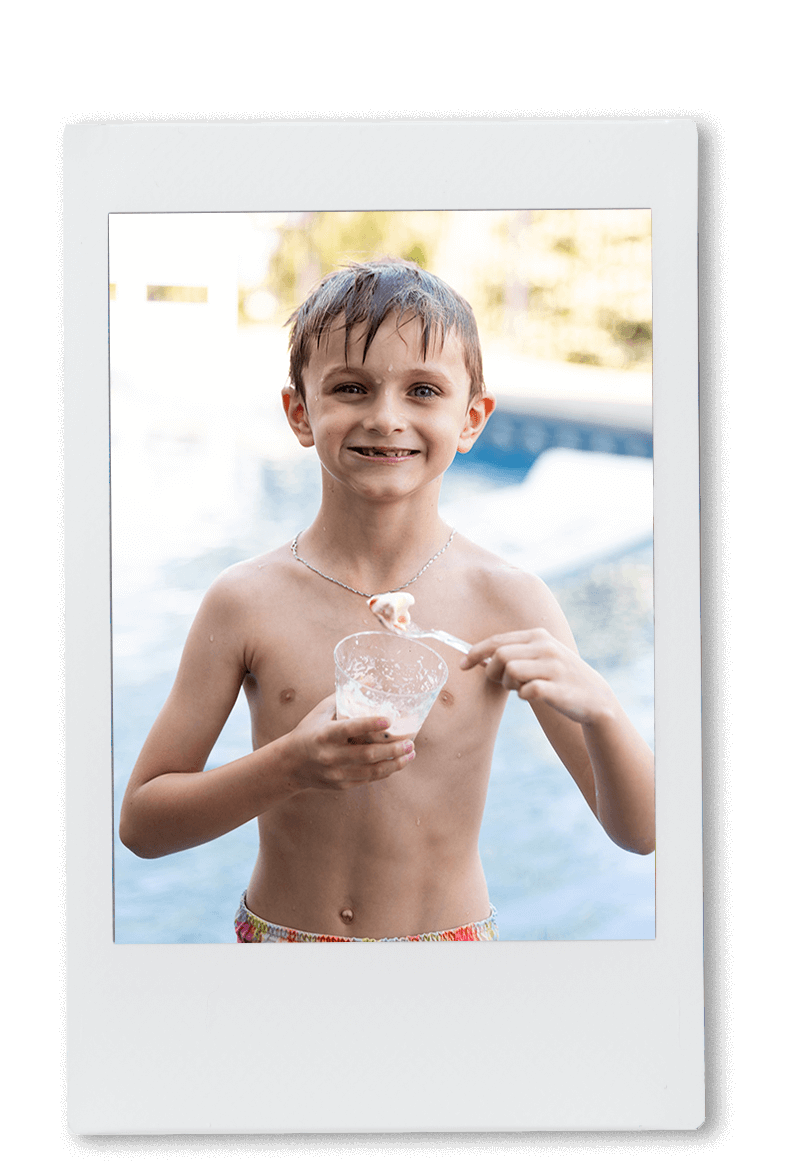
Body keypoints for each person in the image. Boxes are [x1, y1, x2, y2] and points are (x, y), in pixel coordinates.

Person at [119, 258, 655, 943]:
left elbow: (638, 833)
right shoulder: (245, 601)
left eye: (423, 390)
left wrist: (604, 709)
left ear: (470, 420)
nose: (385, 417)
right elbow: (142, 825)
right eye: (350, 387)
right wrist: (288, 765)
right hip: (283, 943)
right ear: (299, 412)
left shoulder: (508, 599)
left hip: (446, 950)